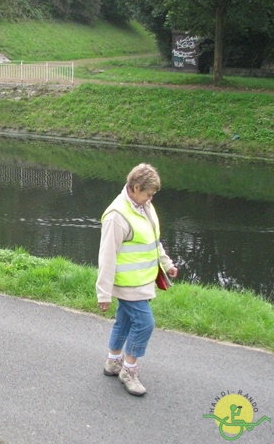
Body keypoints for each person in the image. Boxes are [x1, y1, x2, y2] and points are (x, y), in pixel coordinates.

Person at [96, 163, 178, 396]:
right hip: (128, 284)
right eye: (148, 194)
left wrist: (166, 264)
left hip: (143, 280)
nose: (151, 198)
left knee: (124, 321)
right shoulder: (117, 216)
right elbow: (107, 257)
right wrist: (103, 293)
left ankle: (113, 362)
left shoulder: (144, 206)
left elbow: (153, 240)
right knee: (144, 324)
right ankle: (128, 370)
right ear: (135, 187)